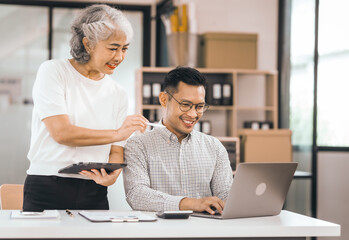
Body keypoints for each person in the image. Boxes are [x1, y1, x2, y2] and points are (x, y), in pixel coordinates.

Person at [23, 4, 148, 211]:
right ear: (88, 44)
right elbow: (62, 133)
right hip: (46, 184)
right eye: (113, 48)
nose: (119, 57)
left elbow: (116, 151)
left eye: (124, 49)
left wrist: (112, 176)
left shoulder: (118, 93)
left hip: (93, 191)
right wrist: (118, 133)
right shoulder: (54, 71)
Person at [123, 67, 233, 215]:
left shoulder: (214, 147)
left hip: (205, 232)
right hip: (158, 233)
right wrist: (192, 203)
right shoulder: (138, 145)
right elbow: (136, 195)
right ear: (163, 99)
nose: (193, 114)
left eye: (199, 106)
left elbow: (225, 195)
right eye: (185, 105)